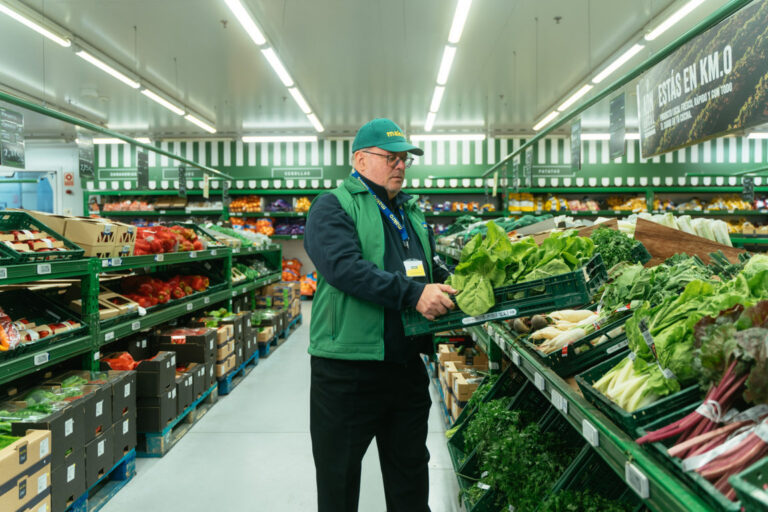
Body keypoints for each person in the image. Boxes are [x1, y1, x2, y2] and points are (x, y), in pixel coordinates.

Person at [304, 118, 456, 512]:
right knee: (338, 484)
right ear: (360, 159)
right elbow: (345, 269)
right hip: (347, 372)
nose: (400, 165)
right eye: (390, 157)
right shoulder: (332, 206)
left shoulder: (410, 212)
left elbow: (427, 269)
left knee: (410, 478)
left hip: (405, 369)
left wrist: (462, 289)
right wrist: (414, 294)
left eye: (405, 158)